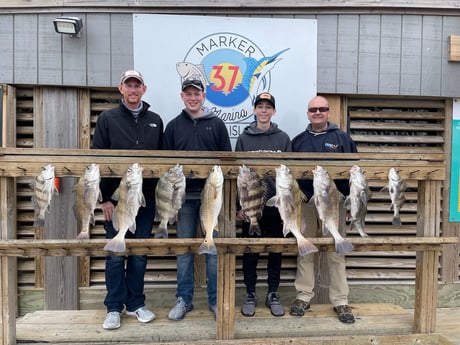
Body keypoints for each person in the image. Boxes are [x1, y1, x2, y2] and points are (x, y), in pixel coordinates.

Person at [91, 70, 164, 330]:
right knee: (114, 255)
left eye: (137, 86)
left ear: (144, 89)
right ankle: (113, 307)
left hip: (144, 202)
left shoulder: (156, 120)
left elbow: (162, 163)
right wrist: (104, 199)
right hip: (116, 200)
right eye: (128, 86)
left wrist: (161, 200)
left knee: (139, 254)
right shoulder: (107, 118)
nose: (133, 90)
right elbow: (97, 159)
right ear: (120, 88)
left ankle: (136, 304)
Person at [164, 78, 232, 320]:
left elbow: (227, 161)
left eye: (197, 93)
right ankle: (184, 300)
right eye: (188, 93)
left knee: (212, 250)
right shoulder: (172, 126)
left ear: (204, 96)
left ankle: (215, 300)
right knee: (184, 252)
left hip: (211, 198)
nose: (192, 97)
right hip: (183, 199)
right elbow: (166, 166)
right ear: (182, 96)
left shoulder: (217, 125)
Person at [290, 95, 357, 323]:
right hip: (307, 203)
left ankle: (341, 301)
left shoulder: (342, 139)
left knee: (336, 252)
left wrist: (350, 203)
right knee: (305, 250)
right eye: (312, 110)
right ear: (308, 114)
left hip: (333, 203)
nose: (317, 112)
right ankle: (303, 296)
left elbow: (353, 172)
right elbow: (291, 176)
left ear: (328, 112)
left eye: (321, 109)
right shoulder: (297, 141)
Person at [235, 92, 291, 317]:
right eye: (260, 106)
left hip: (276, 207)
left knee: (275, 251)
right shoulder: (244, 138)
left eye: (268, 107)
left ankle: (273, 293)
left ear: (274, 111)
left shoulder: (283, 138)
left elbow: (290, 174)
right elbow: (236, 175)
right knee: (250, 252)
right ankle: (250, 293)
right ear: (254, 110)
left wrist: (287, 204)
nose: (264, 110)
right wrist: (237, 208)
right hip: (250, 206)